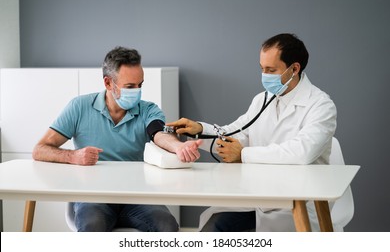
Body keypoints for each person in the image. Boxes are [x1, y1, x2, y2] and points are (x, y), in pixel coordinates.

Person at [166, 33, 337, 232]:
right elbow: (236, 133)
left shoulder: (320, 105)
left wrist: (244, 154)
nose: (264, 75)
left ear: (295, 68)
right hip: (257, 196)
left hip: (298, 201)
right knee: (213, 230)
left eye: (271, 70)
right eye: (262, 68)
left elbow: (302, 152)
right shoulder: (262, 99)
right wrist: (199, 130)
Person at [32, 46, 202, 232]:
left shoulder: (148, 109)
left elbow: (159, 133)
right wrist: (73, 156)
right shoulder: (79, 107)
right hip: (94, 196)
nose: (137, 91)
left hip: (137, 196)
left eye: (140, 85)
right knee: (92, 227)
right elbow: (40, 149)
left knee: (167, 225)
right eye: (130, 87)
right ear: (108, 83)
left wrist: (178, 147)